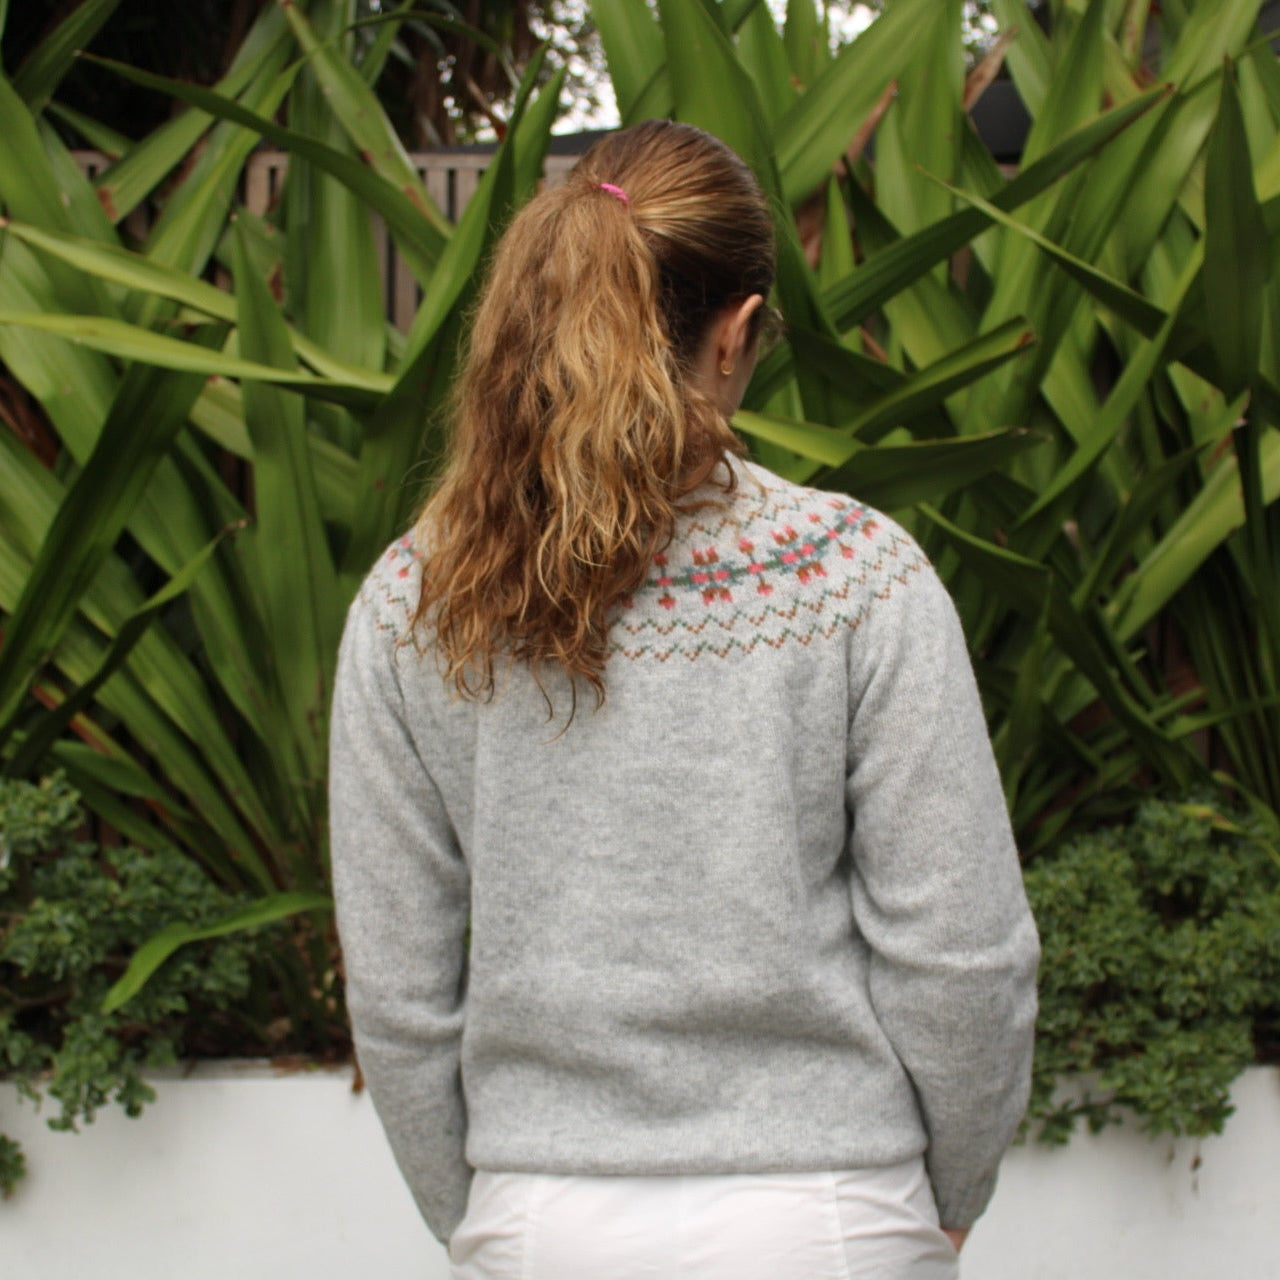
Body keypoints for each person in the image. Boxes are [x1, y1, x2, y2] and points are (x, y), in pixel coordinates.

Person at [328, 119, 1040, 1280]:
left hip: (540, 1216)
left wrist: (480, 1213)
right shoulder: (851, 572)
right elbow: (960, 953)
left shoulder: (417, 596)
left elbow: (399, 986)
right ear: (740, 328)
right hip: (828, 1214)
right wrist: (948, 1194)